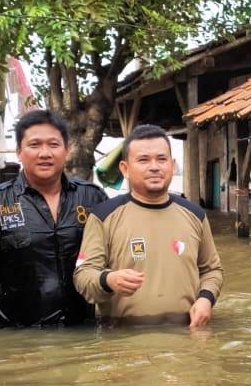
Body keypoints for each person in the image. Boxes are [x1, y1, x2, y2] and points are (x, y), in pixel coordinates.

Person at [0, 109, 107, 332]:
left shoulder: (93, 197)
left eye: (53, 145)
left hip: (82, 333)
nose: (45, 153)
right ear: (19, 152)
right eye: (34, 145)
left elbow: (111, 262)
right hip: (15, 338)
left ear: (66, 150)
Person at [73, 124, 223, 327]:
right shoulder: (103, 216)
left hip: (186, 336)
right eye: (143, 160)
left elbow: (212, 270)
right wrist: (108, 280)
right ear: (125, 169)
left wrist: (206, 299)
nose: (154, 167)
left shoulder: (195, 215)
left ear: (172, 164)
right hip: (124, 339)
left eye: (162, 159)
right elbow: (83, 275)